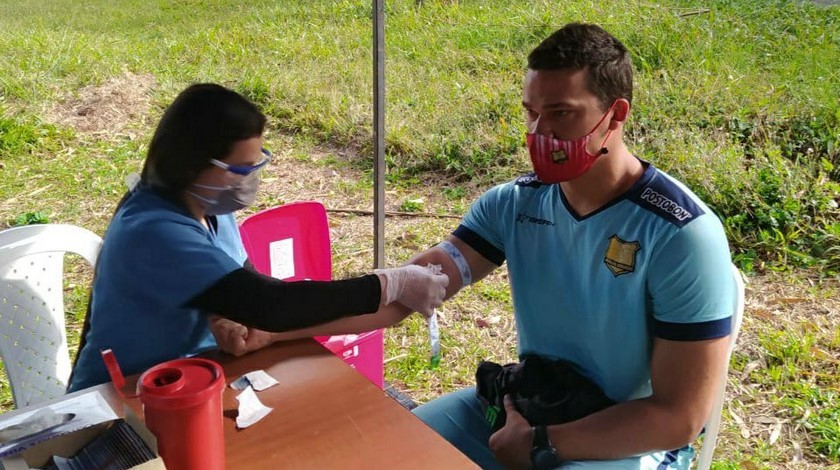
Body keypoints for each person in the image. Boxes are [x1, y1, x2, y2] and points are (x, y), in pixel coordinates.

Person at [407, 23, 737, 469]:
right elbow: (422, 279)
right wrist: (318, 305)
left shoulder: (681, 234)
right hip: (537, 402)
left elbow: (678, 417)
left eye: (560, 113)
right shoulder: (514, 204)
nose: (539, 132)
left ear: (615, 115)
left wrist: (542, 442)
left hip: (633, 437)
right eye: (531, 113)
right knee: (391, 445)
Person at [68, 83, 448, 392]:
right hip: (116, 403)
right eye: (240, 169)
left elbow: (248, 295)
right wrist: (391, 283)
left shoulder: (211, 208)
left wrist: (235, 321)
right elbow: (271, 305)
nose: (248, 180)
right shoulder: (153, 230)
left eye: (255, 165)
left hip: (189, 381)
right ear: (192, 164)